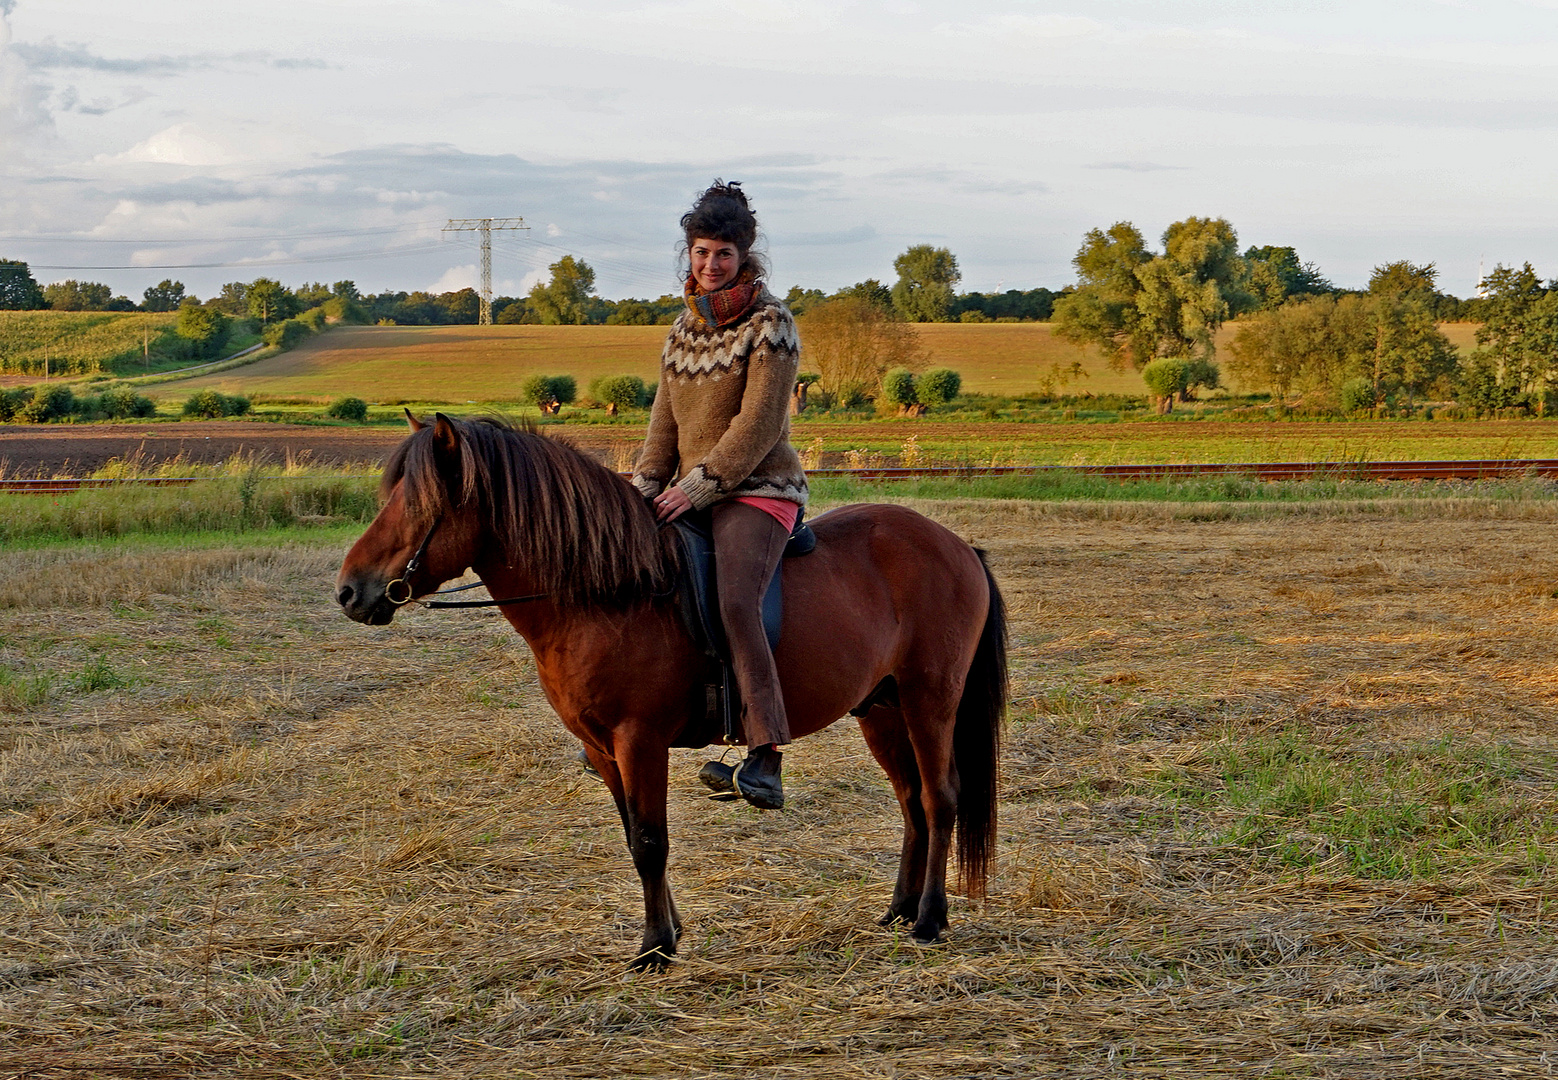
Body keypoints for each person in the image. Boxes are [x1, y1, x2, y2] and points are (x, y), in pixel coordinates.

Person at [632, 180, 808, 810]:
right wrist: (643, 488)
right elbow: (664, 422)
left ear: (745, 255)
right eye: (702, 252)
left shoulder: (772, 324)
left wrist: (700, 486)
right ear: (690, 254)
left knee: (736, 601)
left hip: (758, 488)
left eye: (724, 254)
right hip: (686, 489)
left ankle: (764, 754)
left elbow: (758, 425)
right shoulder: (681, 329)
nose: (711, 265)